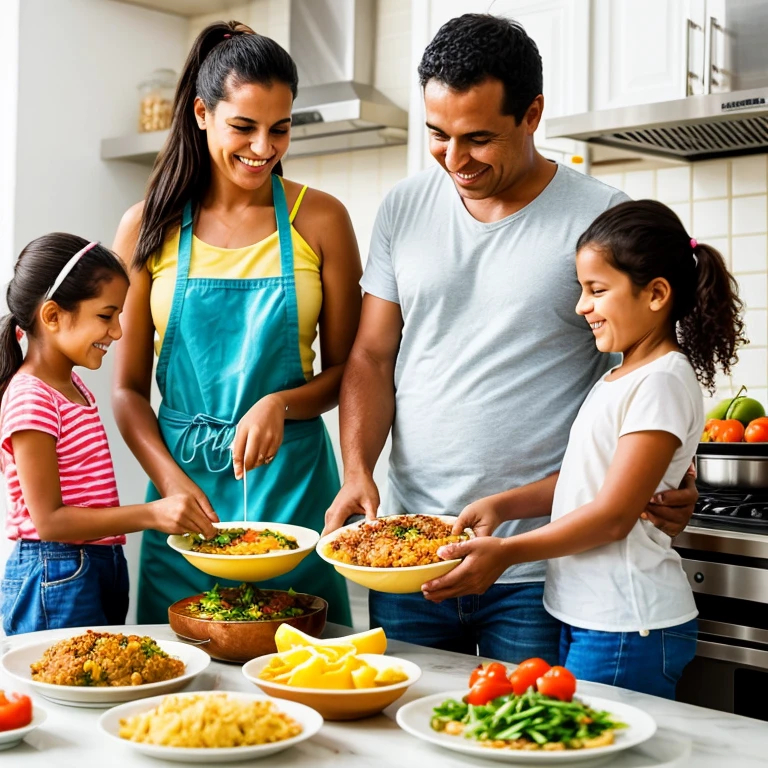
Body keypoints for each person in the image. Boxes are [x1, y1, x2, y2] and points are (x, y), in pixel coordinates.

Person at [323, 14, 698, 662]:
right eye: (437, 135)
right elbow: (371, 355)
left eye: (478, 138)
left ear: (533, 114)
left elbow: (644, 372)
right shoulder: (403, 208)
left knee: (524, 749)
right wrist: (357, 469)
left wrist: (670, 474)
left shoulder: (599, 215)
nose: (455, 159)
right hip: (411, 551)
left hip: (536, 563)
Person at [423, 200, 746, 698]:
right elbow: (583, 484)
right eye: (581, 290)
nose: (581, 306)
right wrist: (502, 506)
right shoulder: (620, 376)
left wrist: (506, 552)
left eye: (597, 290)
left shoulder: (661, 380)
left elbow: (614, 516)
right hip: (592, 617)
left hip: (627, 623)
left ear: (656, 293)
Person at [112, 21, 362, 625]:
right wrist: (170, 483)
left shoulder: (321, 219)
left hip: (296, 490)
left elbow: (351, 372)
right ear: (202, 113)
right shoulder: (147, 225)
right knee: (182, 681)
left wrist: (279, 404)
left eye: (280, 129)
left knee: (305, 665)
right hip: (185, 494)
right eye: (243, 127)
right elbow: (126, 390)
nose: (263, 147)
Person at [0, 234, 215, 635]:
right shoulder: (31, 398)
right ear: (52, 316)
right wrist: (152, 514)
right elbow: (48, 521)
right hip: (56, 569)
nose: (117, 332)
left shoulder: (73, 386)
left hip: (96, 562)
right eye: (106, 315)